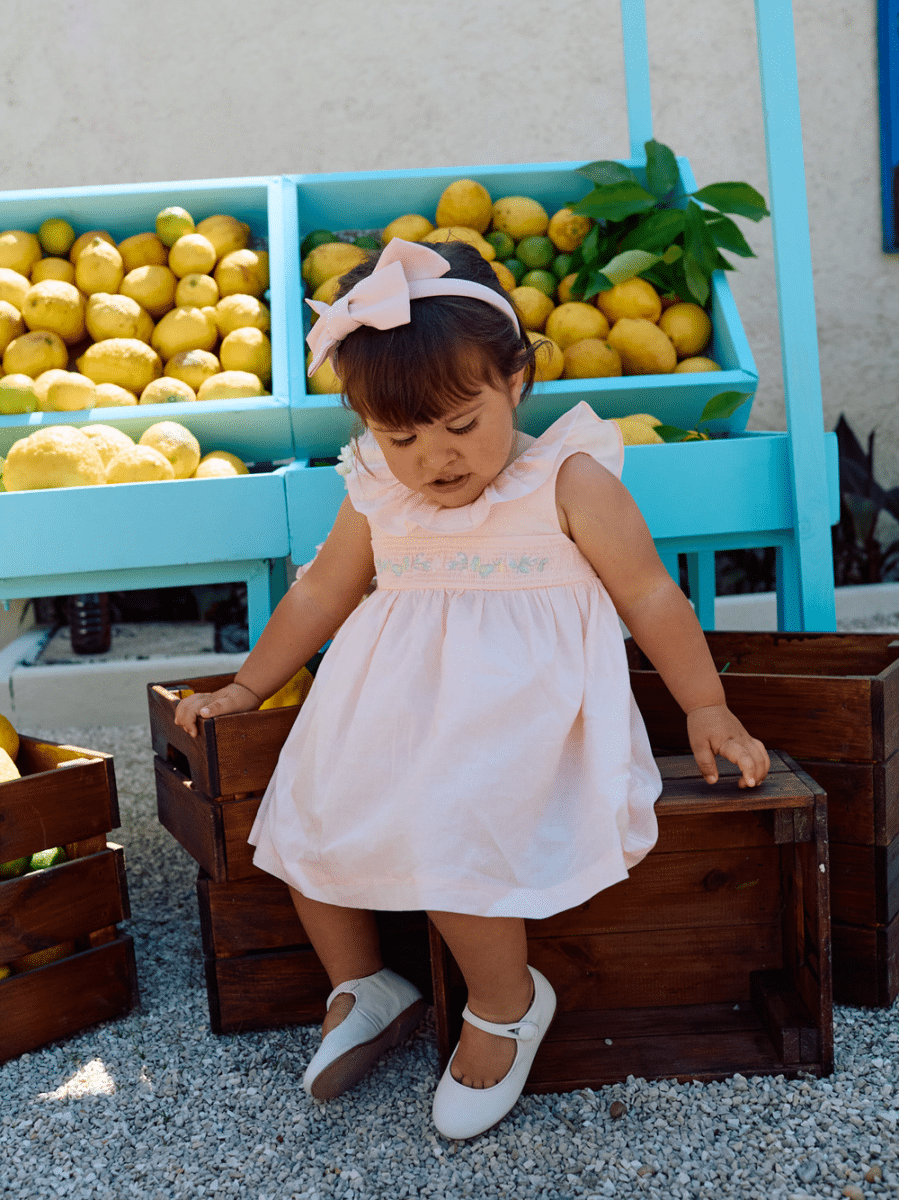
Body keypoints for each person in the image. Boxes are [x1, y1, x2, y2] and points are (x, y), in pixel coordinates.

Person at [175, 237, 769, 1140]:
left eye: (460, 425)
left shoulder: (564, 480)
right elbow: (326, 592)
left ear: (515, 380)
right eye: (400, 435)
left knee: (453, 823)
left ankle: (505, 1001)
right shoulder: (377, 489)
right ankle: (362, 983)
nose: (433, 460)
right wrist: (248, 686)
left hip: (515, 718)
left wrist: (704, 704)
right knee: (302, 813)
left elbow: (648, 592)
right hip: (390, 705)